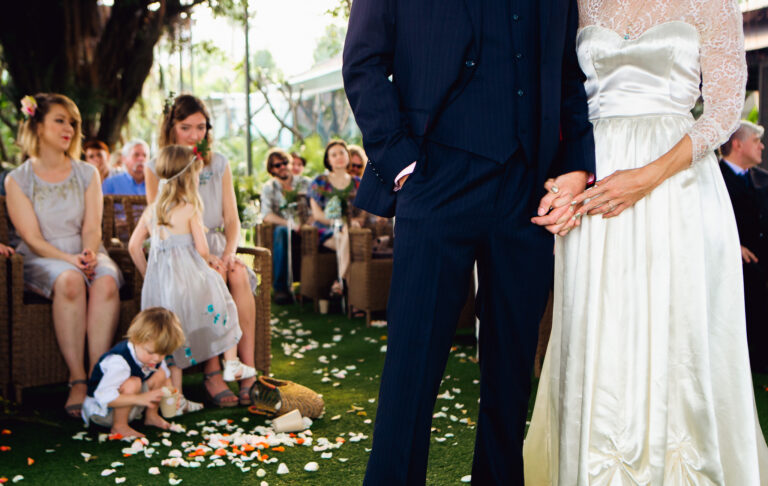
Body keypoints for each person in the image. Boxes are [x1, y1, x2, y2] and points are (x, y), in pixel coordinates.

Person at [343, 0, 595, 480]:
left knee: (512, 371)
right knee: (412, 364)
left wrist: (576, 164)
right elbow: (363, 61)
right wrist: (401, 163)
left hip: (528, 188)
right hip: (435, 179)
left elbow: (568, 73)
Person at [524, 1, 768, 483]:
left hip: (678, 183)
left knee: (678, 327)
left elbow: (722, 108)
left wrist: (646, 177)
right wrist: (569, 172)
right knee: (600, 326)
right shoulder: (578, 3)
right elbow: (560, 93)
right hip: (595, 182)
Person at [5, 93, 124, 418]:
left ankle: (99, 376)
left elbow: (91, 226)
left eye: (72, 122)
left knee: (106, 281)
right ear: (38, 126)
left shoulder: (87, 173)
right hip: (41, 255)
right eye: (60, 120)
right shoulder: (18, 179)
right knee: (70, 280)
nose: (68, 127)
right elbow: (30, 237)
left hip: (84, 247)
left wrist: (88, 252)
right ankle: (77, 378)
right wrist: (69, 260)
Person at [145, 94, 257, 408]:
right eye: (186, 127)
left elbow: (232, 220)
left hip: (217, 244)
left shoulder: (219, 163)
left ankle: (247, 371)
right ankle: (212, 372)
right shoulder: (158, 167)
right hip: (181, 249)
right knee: (212, 275)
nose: (196, 135)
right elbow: (158, 223)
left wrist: (230, 252)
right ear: (171, 128)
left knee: (235, 272)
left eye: (202, 127)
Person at [82, 307, 184, 438]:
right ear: (136, 339)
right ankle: (119, 426)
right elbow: (103, 397)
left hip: (130, 405)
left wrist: (171, 394)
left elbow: (166, 378)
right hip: (101, 413)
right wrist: (140, 398)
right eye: (151, 352)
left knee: (159, 374)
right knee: (133, 382)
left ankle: (151, 416)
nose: (157, 358)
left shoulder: (153, 357)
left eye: (163, 353)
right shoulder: (119, 362)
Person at [720, 121, 768, 374]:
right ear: (737, 144)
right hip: (730, 269)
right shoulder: (714, 178)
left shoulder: (763, 179)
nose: (762, 146)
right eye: (756, 141)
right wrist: (732, 246)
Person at [308, 140, 365, 295]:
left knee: (347, 234)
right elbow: (317, 215)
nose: (339, 157)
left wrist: (355, 221)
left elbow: (363, 213)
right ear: (328, 160)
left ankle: (341, 283)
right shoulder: (319, 182)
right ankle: (347, 289)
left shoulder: (358, 183)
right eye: (334, 154)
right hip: (325, 231)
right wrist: (339, 222)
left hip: (350, 231)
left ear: (348, 156)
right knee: (351, 241)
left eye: (342, 153)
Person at [261, 148, 311, 304]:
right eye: (277, 165)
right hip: (284, 229)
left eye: (284, 163)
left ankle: (314, 288)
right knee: (282, 232)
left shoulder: (305, 183)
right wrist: (290, 224)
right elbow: (267, 215)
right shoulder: (269, 188)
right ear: (271, 169)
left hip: (308, 227)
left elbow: (317, 207)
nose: (282, 167)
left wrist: (305, 224)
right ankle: (281, 288)